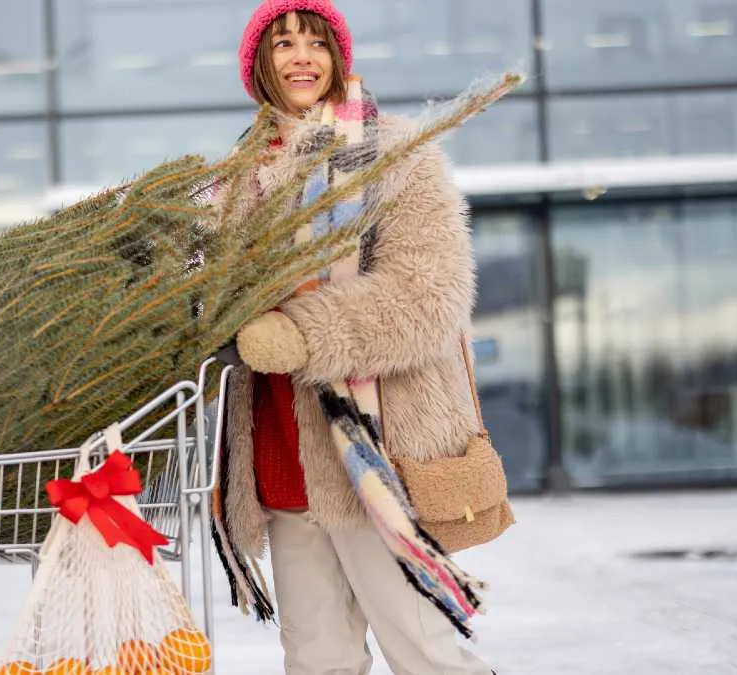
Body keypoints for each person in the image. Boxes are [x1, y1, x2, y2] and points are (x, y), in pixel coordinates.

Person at [209, 1, 502, 673]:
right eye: (283, 44)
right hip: (281, 462)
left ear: (338, 56)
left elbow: (429, 296)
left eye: (316, 42)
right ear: (260, 64)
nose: (302, 56)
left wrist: (303, 335)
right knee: (316, 659)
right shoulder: (236, 180)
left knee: (423, 650)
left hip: (375, 459)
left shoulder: (394, 155)